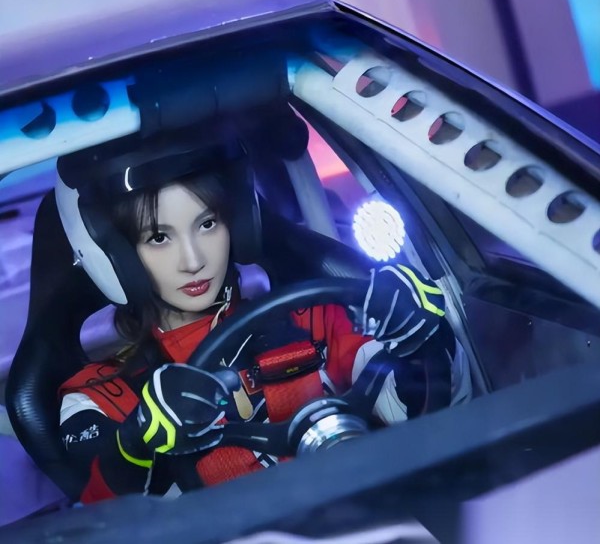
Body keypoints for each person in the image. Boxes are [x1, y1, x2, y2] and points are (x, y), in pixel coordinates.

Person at [56, 132, 468, 503]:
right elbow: (103, 523)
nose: (194, 261)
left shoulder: (315, 321)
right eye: (159, 237)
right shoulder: (102, 397)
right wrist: (134, 443)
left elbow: (418, 413)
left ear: (237, 223)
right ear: (116, 257)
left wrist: (421, 339)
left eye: (208, 223)